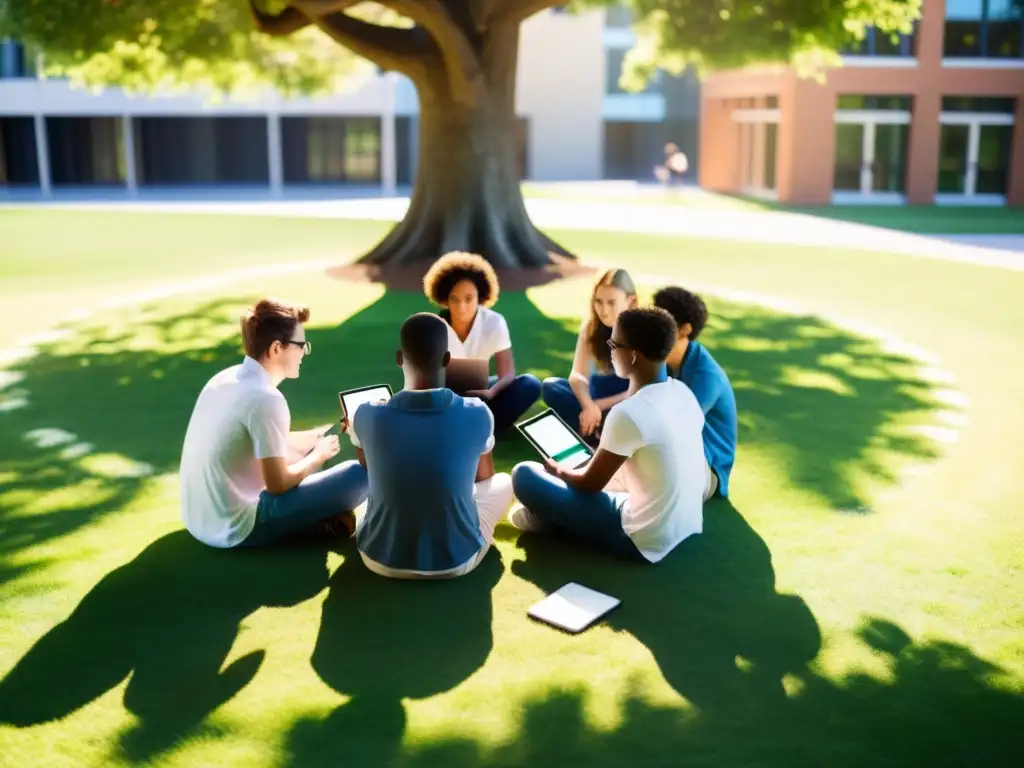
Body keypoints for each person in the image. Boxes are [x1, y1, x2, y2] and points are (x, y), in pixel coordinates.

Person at [511, 308, 708, 562]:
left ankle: (551, 518)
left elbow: (589, 485)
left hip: (639, 539)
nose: (610, 350)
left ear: (634, 355)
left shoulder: (629, 412)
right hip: (683, 526)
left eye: (614, 344)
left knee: (524, 475)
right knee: (587, 468)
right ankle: (555, 515)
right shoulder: (682, 392)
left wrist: (557, 470)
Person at [179, 298, 369, 548]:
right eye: (300, 345)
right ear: (277, 348)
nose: (304, 352)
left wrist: (322, 435)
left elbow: (268, 440)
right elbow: (277, 485)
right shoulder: (267, 399)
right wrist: (318, 457)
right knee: (360, 475)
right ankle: (312, 523)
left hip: (200, 521)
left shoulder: (225, 378)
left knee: (314, 447)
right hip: (237, 529)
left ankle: (320, 518)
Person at [343, 313, 514, 579]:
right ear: (447, 359)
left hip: (377, 559)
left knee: (366, 498)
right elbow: (484, 478)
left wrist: (357, 432)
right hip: (457, 560)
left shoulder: (365, 415)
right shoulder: (478, 412)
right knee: (503, 482)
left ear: (399, 358)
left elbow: (368, 469)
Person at [423, 251, 541, 432]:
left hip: (483, 392)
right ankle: (480, 424)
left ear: (481, 296)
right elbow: (427, 378)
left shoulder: (494, 322)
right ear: (445, 299)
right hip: (448, 395)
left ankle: (482, 424)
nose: (462, 306)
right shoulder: (435, 327)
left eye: (469, 299)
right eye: (454, 299)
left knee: (530, 384)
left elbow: (507, 373)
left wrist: (491, 392)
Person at [653, 286, 737, 499]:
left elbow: (678, 429)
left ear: (685, 329)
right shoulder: (663, 363)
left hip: (707, 471)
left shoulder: (706, 376)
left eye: (661, 319)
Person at [541, 268, 637, 442]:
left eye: (611, 302)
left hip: (629, 399)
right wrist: (588, 405)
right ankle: (593, 432)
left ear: (630, 300)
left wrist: (598, 406)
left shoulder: (644, 329)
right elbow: (578, 375)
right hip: (597, 397)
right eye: (598, 302)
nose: (604, 310)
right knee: (551, 387)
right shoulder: (591, 328)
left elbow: (646, 388)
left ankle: (588, 432)